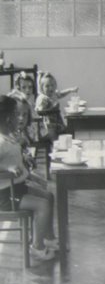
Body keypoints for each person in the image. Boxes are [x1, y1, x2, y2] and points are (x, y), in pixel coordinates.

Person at [0, 95, 57, 261]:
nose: (20, 118)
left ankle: (49, 238)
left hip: (17, 186)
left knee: (49, 196)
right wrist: (6, 168)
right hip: (4, 195)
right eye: (16, 114)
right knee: (42, 205)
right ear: (8, 118)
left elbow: (16, 161)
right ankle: (37, 247)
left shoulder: (10, 137)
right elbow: (8, 165)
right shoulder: (1, 142)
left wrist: (31, 174)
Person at [35, 72, 78, 140]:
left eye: (52, 85)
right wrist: (50, 110)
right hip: (47, 124)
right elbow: (39, 111)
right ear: (42, 87)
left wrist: (70, 90)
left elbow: (61, 94)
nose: (50, 88)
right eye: (47, 86)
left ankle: (64, 142)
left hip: (57, 121)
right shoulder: (43, 98)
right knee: (54, 136)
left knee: (67, 130)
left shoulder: (53, 94)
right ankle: (54, 144)